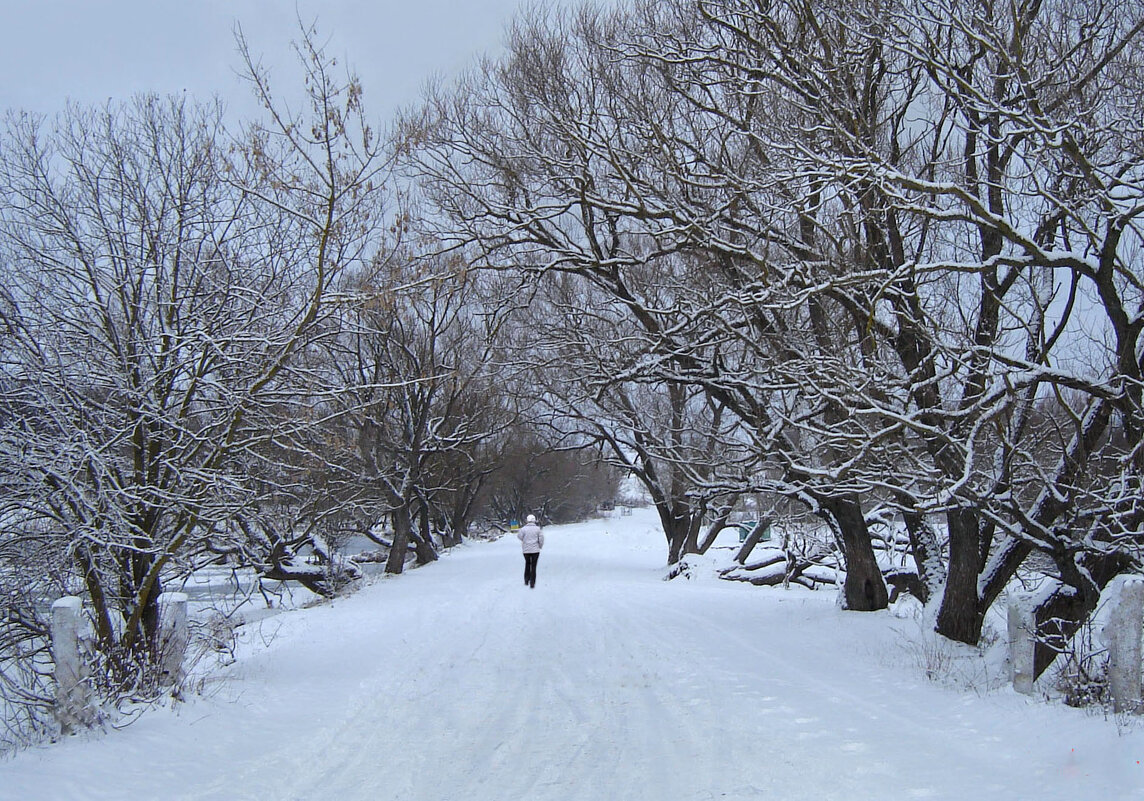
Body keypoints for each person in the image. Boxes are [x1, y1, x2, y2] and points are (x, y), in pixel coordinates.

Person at [516, 513, 544, 588]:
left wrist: (525, 541)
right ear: (534, 520)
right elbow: (541, 539)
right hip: (535, 550)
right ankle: (532, 582)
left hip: (526, 550)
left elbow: (519, 536)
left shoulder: (523, 529)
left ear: (527, 521)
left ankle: (526, 579)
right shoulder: (538, 529)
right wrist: (540, 546)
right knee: (534, 566)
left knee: (527, 564)